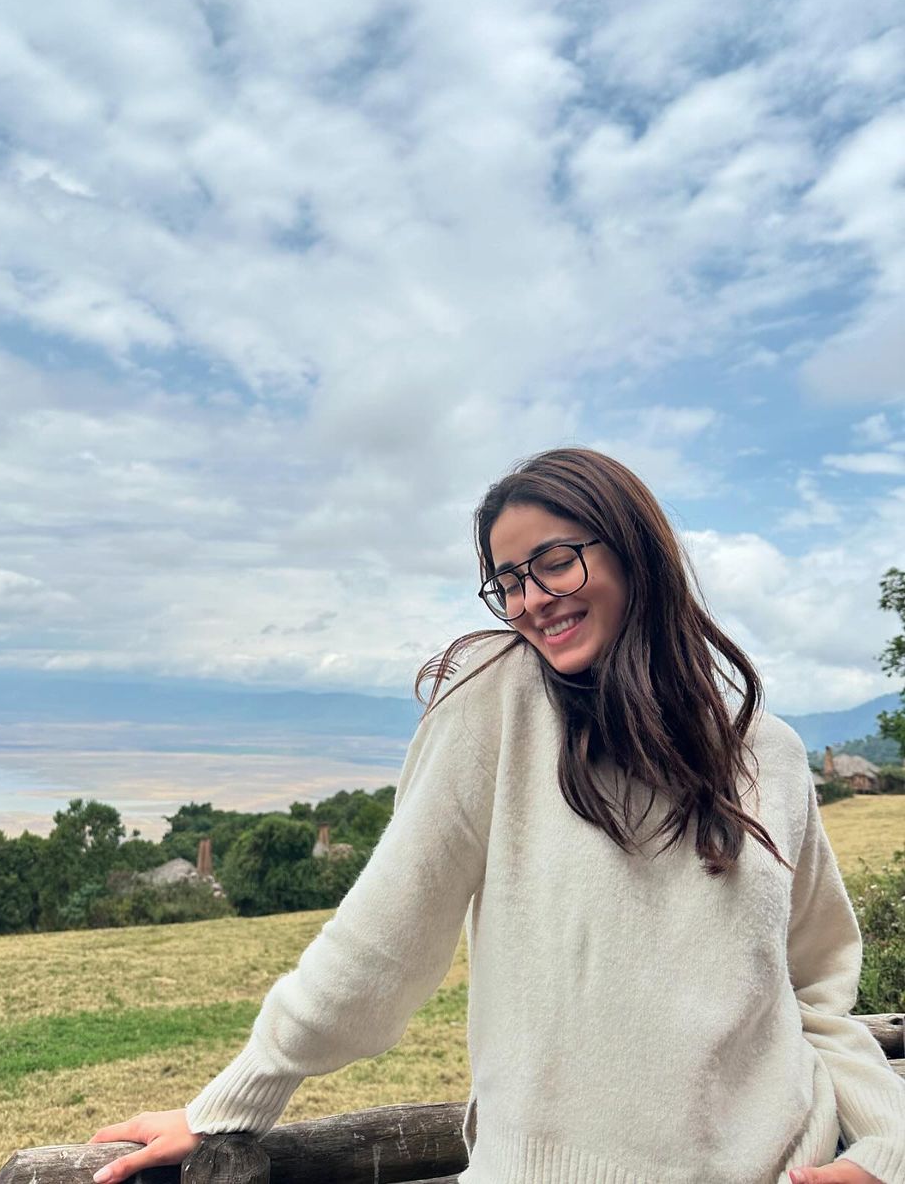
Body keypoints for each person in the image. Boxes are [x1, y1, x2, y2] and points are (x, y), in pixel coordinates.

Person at [90, 448, 905, 1184]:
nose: (530, 600)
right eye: (509, 580)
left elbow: (814, 991)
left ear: (635, 550)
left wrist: (886, 1150)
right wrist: (226, 1105)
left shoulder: (774, 754)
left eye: (553, 563)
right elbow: (382, 937)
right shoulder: (497, 704)